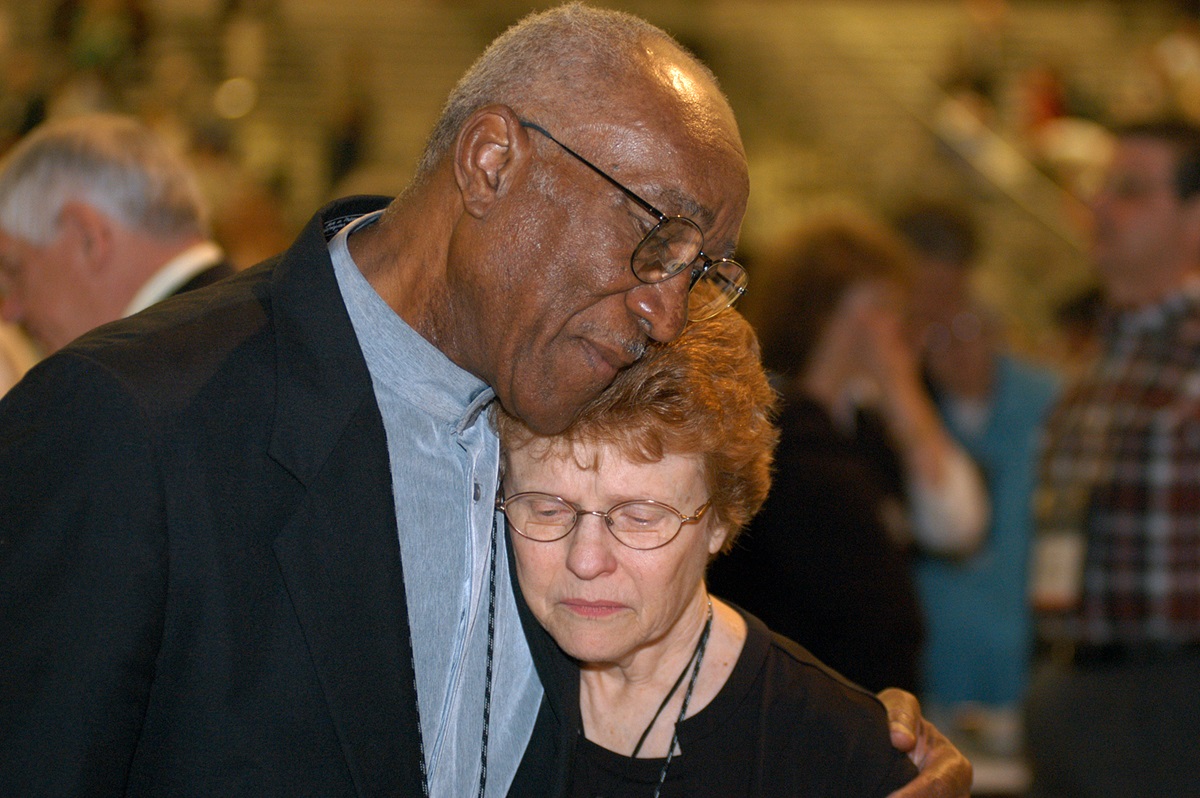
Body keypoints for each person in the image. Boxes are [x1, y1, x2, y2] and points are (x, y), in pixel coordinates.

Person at [0, 5, 970, 797]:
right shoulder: (132, 426)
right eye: (656, 242)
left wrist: (851, 748)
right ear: (492, 162)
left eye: (702, 270)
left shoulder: (563, 409)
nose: (667, 310)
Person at [495, 307, 921, 796]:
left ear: (719, 518)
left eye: (640, 517)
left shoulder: (837, 754)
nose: (586, 561)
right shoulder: (450, 683)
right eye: (548, 510)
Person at [710, 208, 988, 695]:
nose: (899, 327)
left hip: (872, 702)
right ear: (826, 311)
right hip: (788, 703)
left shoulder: (865, 430)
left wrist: (900, 389)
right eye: (883, 307)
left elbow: (956, 526)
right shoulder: (768, 426)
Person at [1025, 119, 1200, 797]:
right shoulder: (1099, 362)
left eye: (1129, 191)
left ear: (1194, 216)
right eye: (1101, 188)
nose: (1100, 208)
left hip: (1174, 701)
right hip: (1074, 691)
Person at [896, 201, 1062, 756]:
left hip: (1031, 678)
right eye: (929, 321)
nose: (949, 337)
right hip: (929, 681)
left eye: (959, 315)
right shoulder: (902, 415)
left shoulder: (1053, 406)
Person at [0, 113, 235, 356]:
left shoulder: (140, 373)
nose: (9, 312)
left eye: (15, 270)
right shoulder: (247, 324)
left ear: (87, 239)